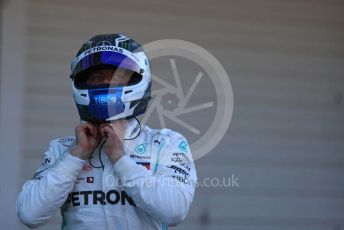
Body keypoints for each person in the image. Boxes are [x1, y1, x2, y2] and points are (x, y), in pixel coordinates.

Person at [16, 34, 197, 229]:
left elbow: (175, 211)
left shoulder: (166, 143)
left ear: (139, 79)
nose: (107, 84)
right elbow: (29, 214)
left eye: (118, 76)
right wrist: (75, 157)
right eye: (97, 78)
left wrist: (120, 158)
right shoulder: (62, 149)